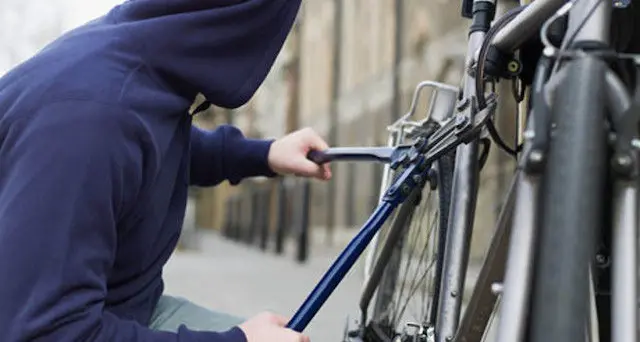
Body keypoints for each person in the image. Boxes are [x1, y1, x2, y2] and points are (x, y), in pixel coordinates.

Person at [0, 0, 327, 341]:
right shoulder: (86, 119)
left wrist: (264, 154)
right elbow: (49, 331)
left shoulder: (137, 53)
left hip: (120, 306)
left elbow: (146, 146)